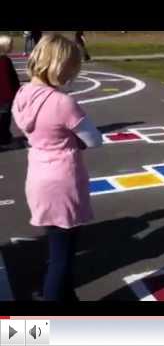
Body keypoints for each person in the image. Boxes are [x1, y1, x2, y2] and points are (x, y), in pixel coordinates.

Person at [12, 34, 103, 301]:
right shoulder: (62, 102)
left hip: (38, 176)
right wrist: (71, 139)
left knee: (58, 249)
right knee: (61, 258)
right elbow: (94, 140)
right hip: (63, 181)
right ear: (60, 66)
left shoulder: (22, 93)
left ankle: (67, 297)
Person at [0, 36, 21, 148]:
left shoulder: (5, 60)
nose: (12, 47)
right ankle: (4, 139)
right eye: (11, 45)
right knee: (5, 118)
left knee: (4, 118)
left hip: (4, 96)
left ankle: (5, 136)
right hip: (5, 96)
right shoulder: (5, 61)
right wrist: (15, 93)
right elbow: (8, 80)